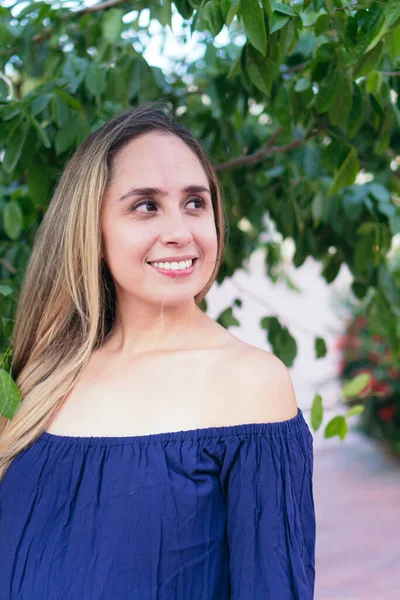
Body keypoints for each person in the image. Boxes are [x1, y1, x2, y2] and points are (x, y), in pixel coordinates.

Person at [0, 101, 316, 599]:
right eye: (145, 205)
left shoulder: (250, 384)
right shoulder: (41, 374)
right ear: (94, 231)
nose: (179, 232)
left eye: (195, 203)